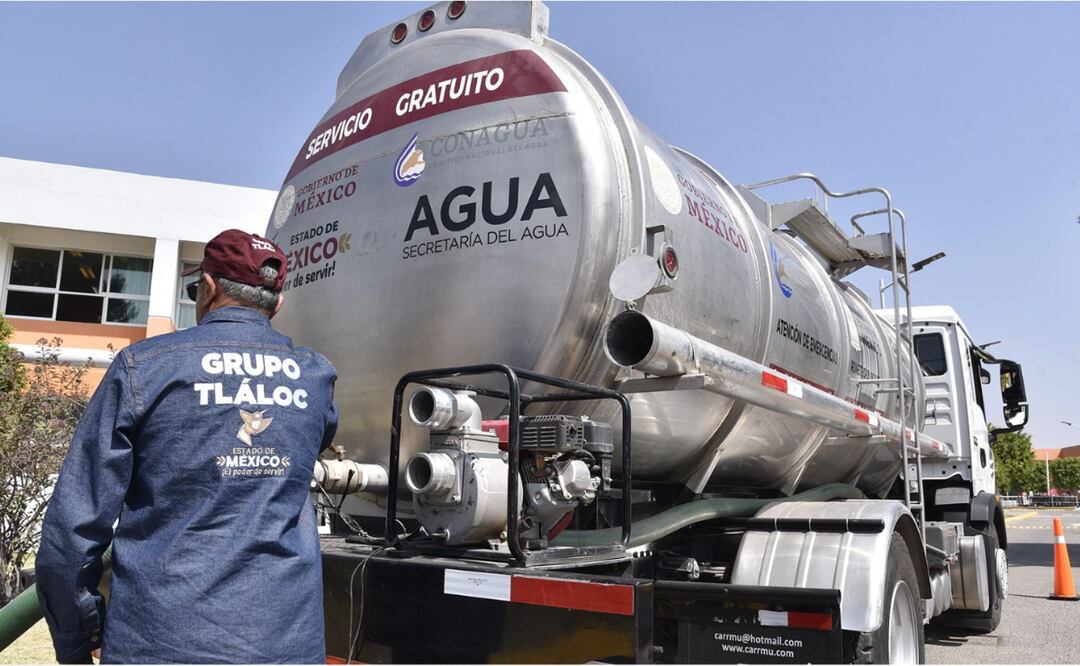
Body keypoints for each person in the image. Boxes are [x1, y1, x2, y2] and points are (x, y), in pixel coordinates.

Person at [35, 229, 338, 664]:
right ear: (278, 302)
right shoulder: (315, 377)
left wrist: (77, 637)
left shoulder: (144, 368)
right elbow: (319, 435)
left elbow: (73, 528)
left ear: (209, 288)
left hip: (159, 643)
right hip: (284, 646)